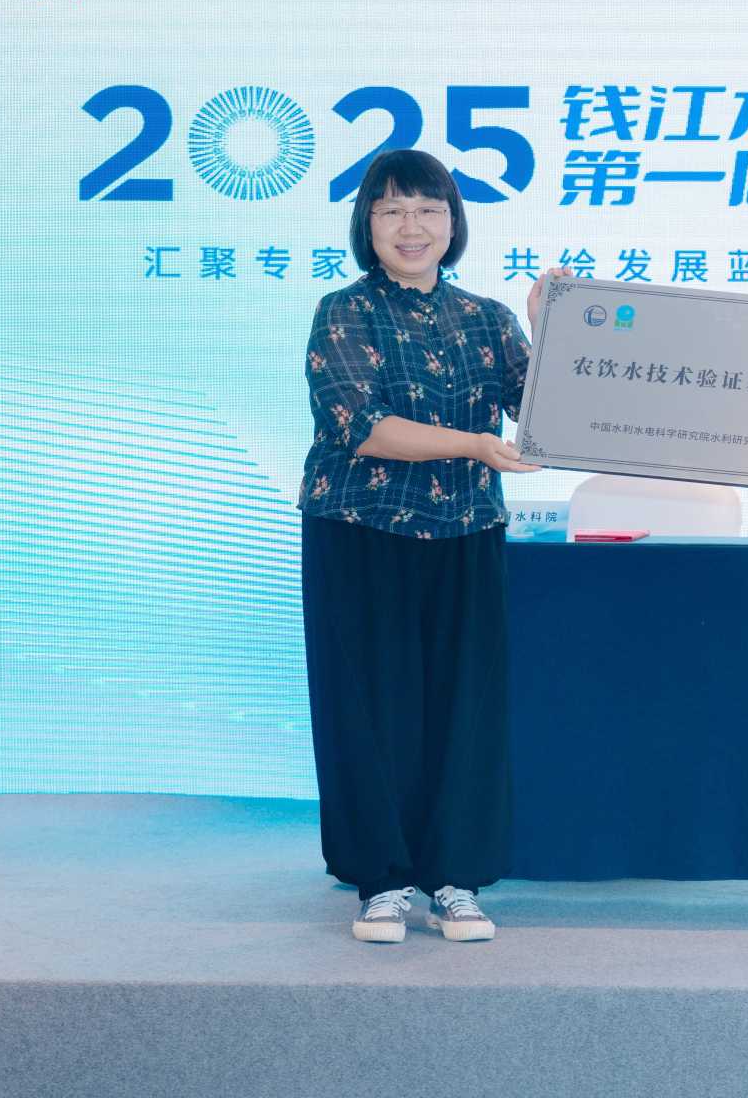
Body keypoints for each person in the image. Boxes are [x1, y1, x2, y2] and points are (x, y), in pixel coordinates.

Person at [298, 147, 559, 944]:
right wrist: (475, 444)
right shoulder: (344, 312)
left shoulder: (488, 318)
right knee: (368, 706)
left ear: (453, 223)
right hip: (360, 531)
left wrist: (551, 328)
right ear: (366, 224)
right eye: (392, 210)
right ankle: (381, 881)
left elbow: (545, 413)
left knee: (464, 709)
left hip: (466, 531)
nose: (411, 227)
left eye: (428, 210)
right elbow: (364, 427)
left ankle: (455, 878)